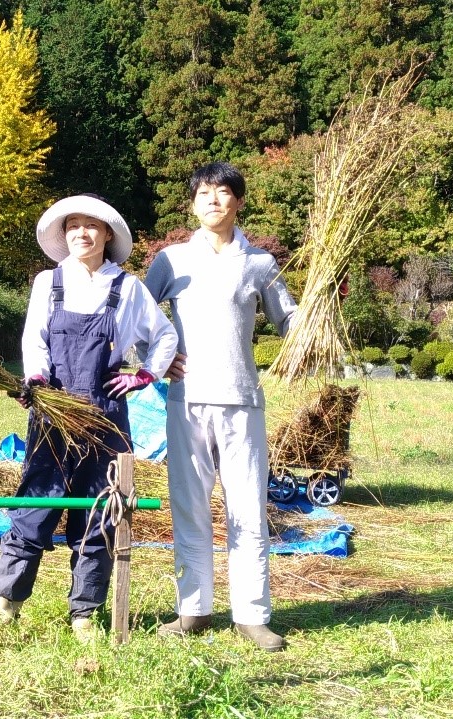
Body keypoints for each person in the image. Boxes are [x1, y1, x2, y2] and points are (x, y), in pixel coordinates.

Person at [0, 194, 178, 640]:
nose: (81, 233)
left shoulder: (127, 288)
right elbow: (33, 339)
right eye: (73, 225)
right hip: (54, 412)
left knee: (99, 510)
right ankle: (5, 606)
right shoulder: (47, 282)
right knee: (36, 504)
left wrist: (144, 375)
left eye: (91, 225)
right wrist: (36, 379)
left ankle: (85, 615)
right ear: (64, 234)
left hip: (105, 414)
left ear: (107, 234)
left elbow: (164, 336)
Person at [143, 162, 297, 651]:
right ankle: (193, 610)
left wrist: (318, 319)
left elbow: (288, 320)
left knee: (247, 507)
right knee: (189, 506)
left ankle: (252, 614)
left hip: (242, 400)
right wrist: (155, 360)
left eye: (224, 191)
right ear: (193, 203)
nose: (214, 200)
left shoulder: (260, 263)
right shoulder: (170, 261)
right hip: (186, 400)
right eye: (204, 193)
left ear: (239, 201)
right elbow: (136, 317)